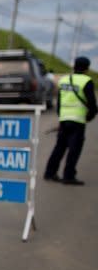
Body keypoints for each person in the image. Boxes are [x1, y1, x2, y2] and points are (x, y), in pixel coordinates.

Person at [44, 56, 97, 185]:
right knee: (74, 149)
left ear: (74, 67)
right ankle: (68, 176)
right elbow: (92, 103)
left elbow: (60, 102)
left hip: (64, 119)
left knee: (60, 147)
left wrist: (61, 117)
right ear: (87, 69)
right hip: (78, 120)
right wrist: (89, 117)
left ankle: (50, 173)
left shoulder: (64, 80)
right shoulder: (86, 81)